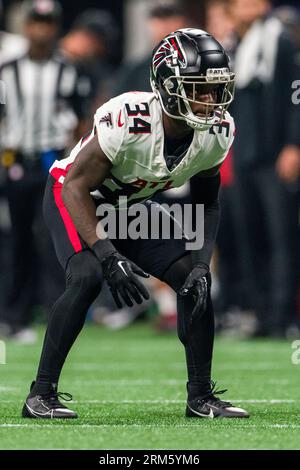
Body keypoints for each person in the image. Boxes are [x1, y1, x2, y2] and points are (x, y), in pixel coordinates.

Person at [22, 28, 249, 419]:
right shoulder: (129, 117)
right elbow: (76, 186)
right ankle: (40, 395)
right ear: (166, 84)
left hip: (129, 204)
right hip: (75, 195)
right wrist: (109, 256)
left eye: (215, 89)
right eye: (197, 88)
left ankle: (200, 397)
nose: (209, 101)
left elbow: (208, 203)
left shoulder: (217, 132)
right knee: (89, 275)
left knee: (194, 283)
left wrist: (198, 263)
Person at [0, 0, 91, 341]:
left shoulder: (70, 69)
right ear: (27, 26)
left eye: (48, 22)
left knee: (55, 239)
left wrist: (75, 161)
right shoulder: (7, 70)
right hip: (16, 160)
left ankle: (59, 314)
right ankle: (14, 316)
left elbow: (83, 118)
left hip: (54, 160)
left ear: (55, 27)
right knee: (17, 239)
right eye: (36, 22)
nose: (41, 29)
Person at [228, 0, 300, 336]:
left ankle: (281, 315)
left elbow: (296, 95)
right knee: (248, 235)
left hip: (273, 155)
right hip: (243, 154)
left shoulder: (281, 41)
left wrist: (293, 144)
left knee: (280, 236)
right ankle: (258, 312)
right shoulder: (233, 46)